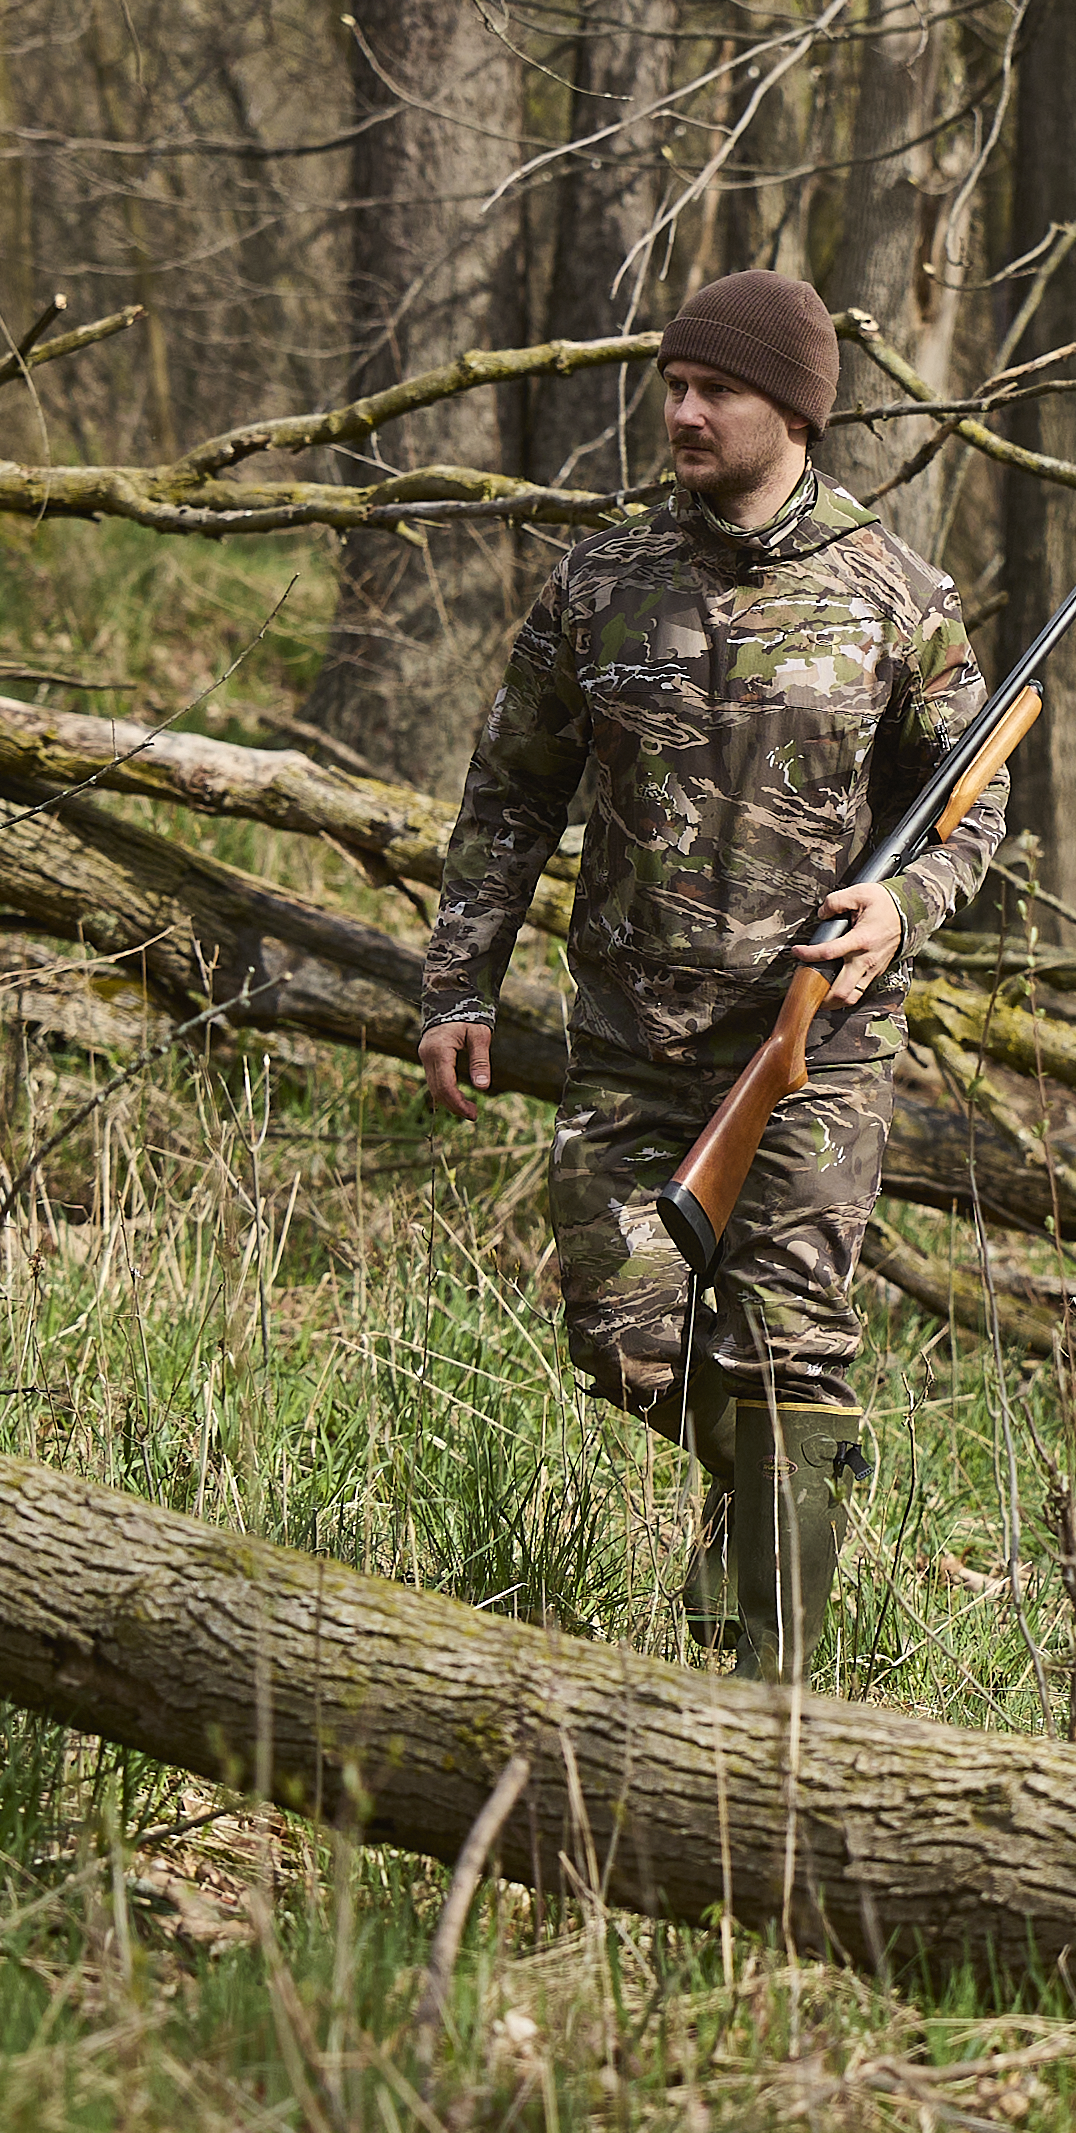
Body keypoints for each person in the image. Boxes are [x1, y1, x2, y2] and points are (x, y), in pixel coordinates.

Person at [413, 269, 1004, 1681]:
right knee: (621, 1334)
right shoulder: (600, 584)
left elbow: (973, 807)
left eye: (713, 391)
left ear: (792, 412)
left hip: (817, 1043)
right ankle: (789, 1487)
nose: (681, 412)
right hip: (632, 1033)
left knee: (788, 1355)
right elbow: (509, 794)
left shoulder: (896, 597)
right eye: (673, 386)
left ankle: (763, 1703)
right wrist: (457, 987)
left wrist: (901, 907)